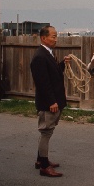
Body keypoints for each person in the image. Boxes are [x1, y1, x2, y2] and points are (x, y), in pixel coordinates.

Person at [30, 25, 71, 177]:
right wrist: (51, 102)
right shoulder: (40, 57)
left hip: (54, 101)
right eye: (53, 36)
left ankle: (41, 160)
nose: (55, 39)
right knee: (46, 132)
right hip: (49, 103)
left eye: (56, 36)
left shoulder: (48, 54)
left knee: (47, 132)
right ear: (43, 38)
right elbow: (43, 83)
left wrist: (62, 64)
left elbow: (52, 74)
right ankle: (44, 167)